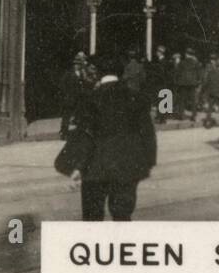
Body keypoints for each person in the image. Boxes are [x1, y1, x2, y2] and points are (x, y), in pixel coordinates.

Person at [67, 54, 157, 221]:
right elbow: (147, 134)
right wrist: (148, 162)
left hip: (95, 168)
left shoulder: (90, 98)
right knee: (122, 217)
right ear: (121, 72)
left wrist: (77, 167)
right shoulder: (137, 98)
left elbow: (85, 136)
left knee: (92, 219)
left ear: (99, 73)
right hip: (127, 167)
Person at [58, 51, 89, 139]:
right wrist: (66, 94)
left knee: (80, 115)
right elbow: (63, 85)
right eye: (77, 64)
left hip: (79, 98)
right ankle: (64, 133)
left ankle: (79, 133)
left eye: (80, 64)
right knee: (66, 116)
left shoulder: (82, 74)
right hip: (70, 98)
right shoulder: (68, 74)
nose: (78, 66)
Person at [174, 47, 202, 120]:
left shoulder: (182, 62)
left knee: (182, 100)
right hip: (193, 84)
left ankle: (181, 116)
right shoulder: (196, 63)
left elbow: (177, 73)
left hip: (183, 84)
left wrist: (177, 81)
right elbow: (199, 73)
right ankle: (193, 116)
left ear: (186, 54)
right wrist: (198, 81)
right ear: (192, 55)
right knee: (193, 100)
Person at [200, 53, 219, 128]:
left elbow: (206, 82)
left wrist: (203, 91)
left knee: (210, 108)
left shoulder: (211, 73)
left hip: (211, 93)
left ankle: (208, 122)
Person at [150, 45, 172, 122]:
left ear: (161, 53)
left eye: (158, 51)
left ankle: (162, 118)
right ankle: (160, 117)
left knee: (162, 100)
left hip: (161, 83)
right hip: (160, 83)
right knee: (160, 100)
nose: (156, 53)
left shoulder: (163, 62)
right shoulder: (160, 61)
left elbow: (163, 73)